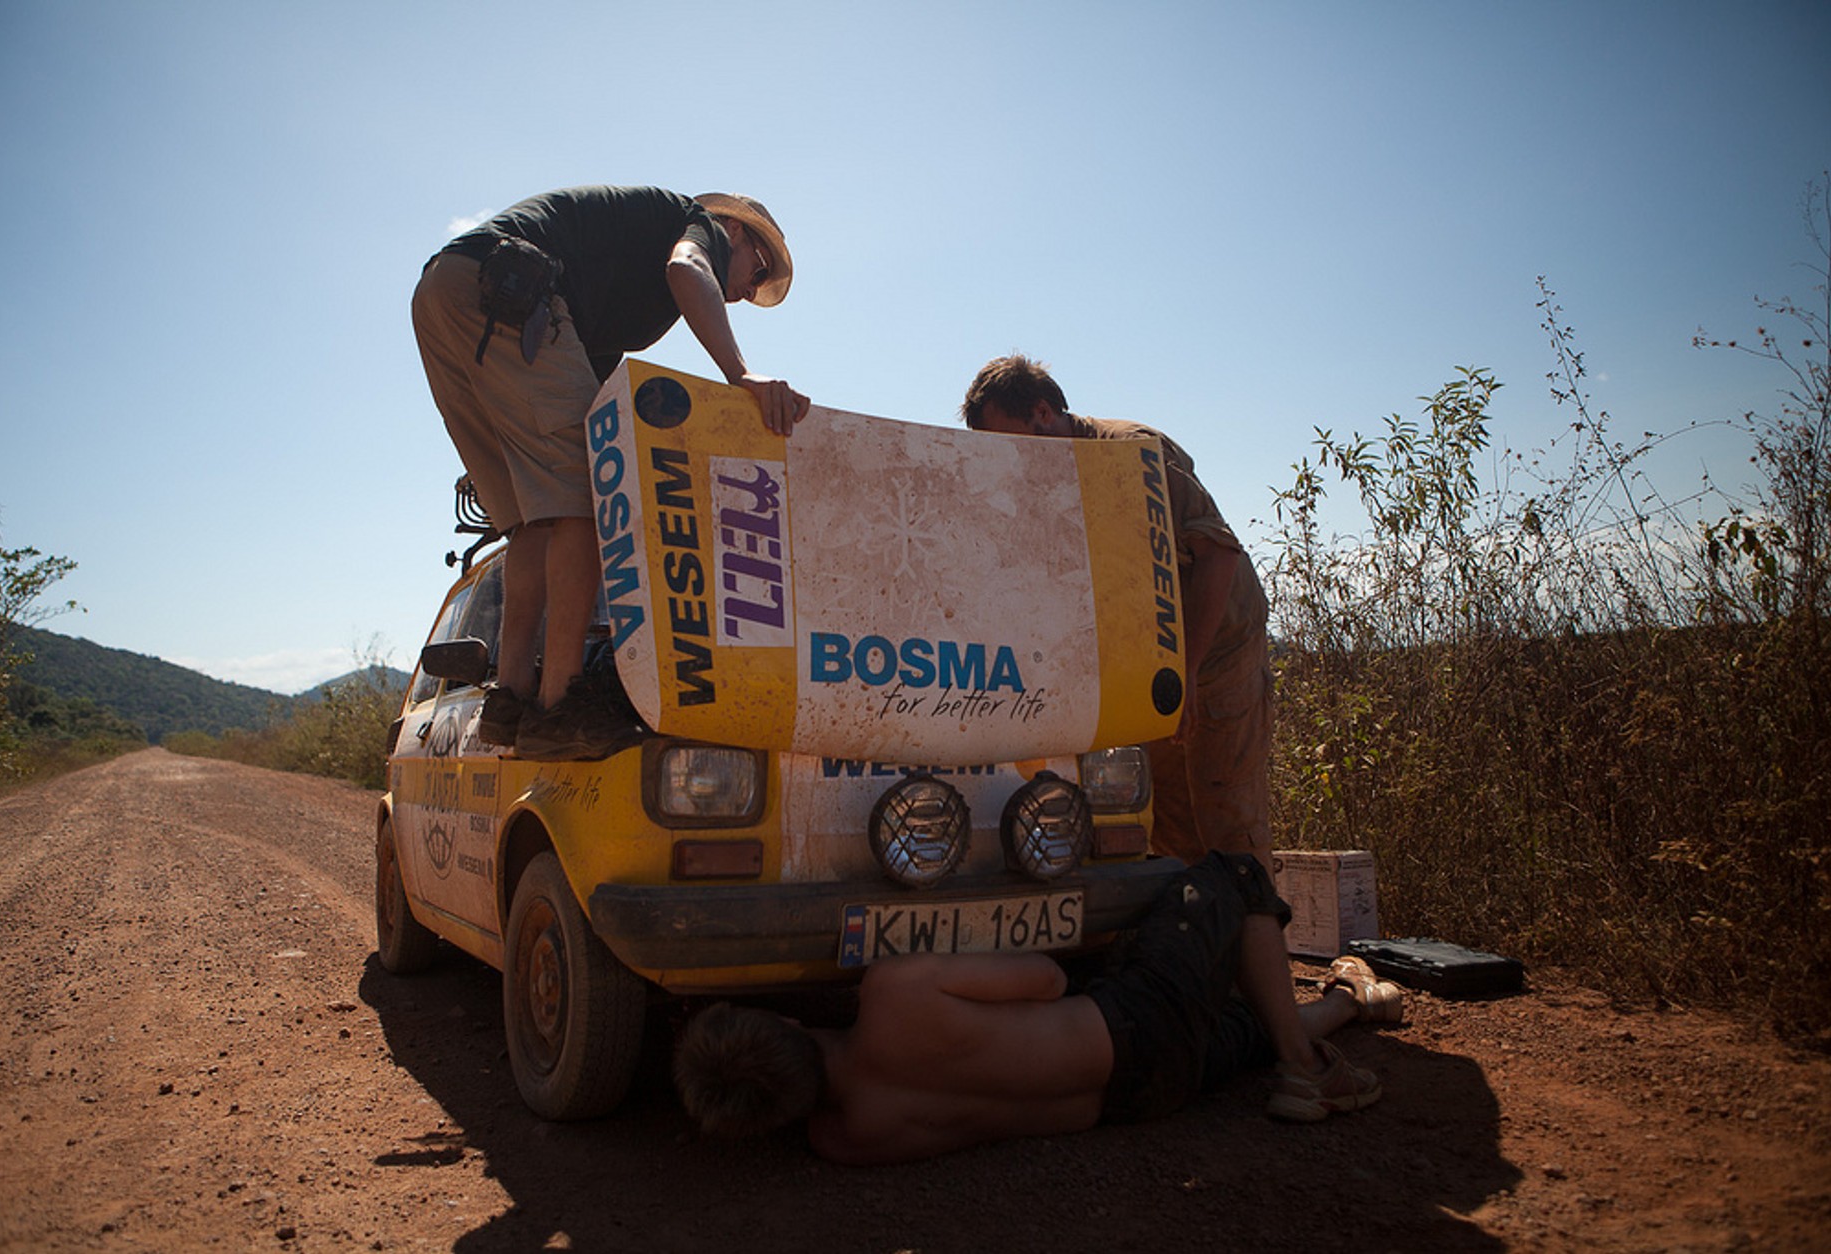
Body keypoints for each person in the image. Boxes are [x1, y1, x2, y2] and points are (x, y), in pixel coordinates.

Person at [673, 853, 1404, 1164]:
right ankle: (1305, 1070)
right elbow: (1048, 981)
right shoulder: (894, 994)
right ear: (787, 1021)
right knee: (1232, 874)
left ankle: (1350, 1000)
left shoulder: (849, 1139)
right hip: (1132, 1025)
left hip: (1142, 1099)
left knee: (1240, 1033)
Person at [412, 186, 810, 755]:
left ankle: (511, 697)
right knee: (589, 497)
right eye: (759, 269)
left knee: (531, 517)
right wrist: (738, 374)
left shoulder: (621, 287)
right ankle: (559, 706)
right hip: (509, 289)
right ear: (735, 231)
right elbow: (687, 267)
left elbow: (589, 400)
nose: (750, 291)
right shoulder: (697, 226)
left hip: (448, 293)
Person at [960, 355, 1273, 868]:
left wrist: (1188, 672)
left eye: (1009, 441)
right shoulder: (1049, 478)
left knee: (1227, 816)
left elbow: (1218, 554)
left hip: (1218, 655)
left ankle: (1253, 918)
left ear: (1042, 413)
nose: (1008, 459)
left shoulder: (1132, 450)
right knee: (1167, 820)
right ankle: (1195, 919)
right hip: (1150, 666)